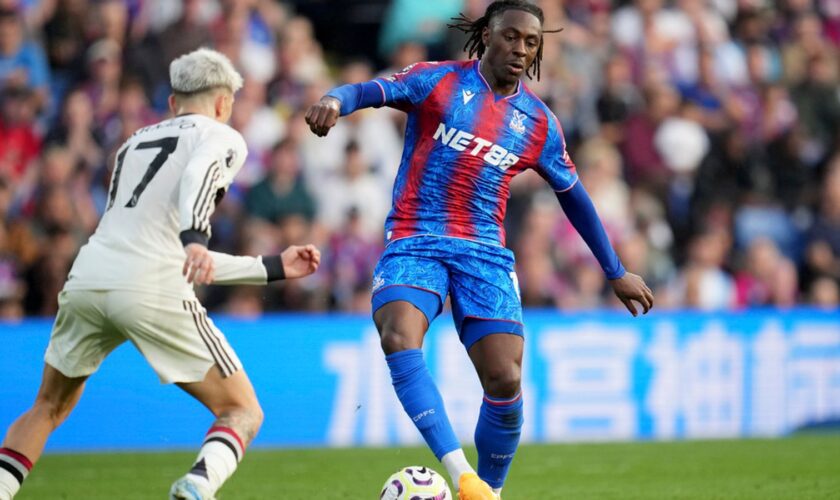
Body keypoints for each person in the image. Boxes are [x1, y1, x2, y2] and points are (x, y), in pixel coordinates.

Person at [305, 1, 654, 499]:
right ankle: (460, 475)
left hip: (484, 254)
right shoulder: (438, 81)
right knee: (399, 336)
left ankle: (487, 491)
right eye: (512, 37)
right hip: (416, 238)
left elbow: (574, 198)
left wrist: (614, 270)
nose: (521, 49)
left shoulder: (538, 122)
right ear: (488, 34)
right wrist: (336, 101)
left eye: (531, 43)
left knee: (505, 379)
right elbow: (369, 89)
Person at [0, 48, 321, 500]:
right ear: (224, 103)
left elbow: (165, 249)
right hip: (151, 285)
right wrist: (196, 235)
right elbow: (197, 180)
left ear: (172, 102)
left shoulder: (132, 144)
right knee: (241, 410)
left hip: (89, 277)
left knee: (47, 407)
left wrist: (268, 268)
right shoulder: (222, 136)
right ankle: (197, 487)